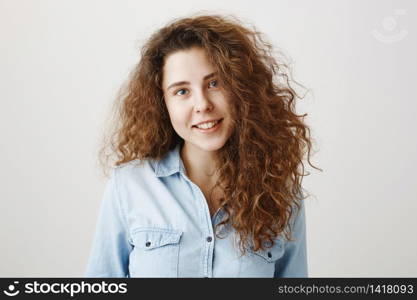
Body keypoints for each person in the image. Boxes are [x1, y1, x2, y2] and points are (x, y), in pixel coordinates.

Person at [85, 14, 319, 278]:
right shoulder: (129, 185)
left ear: (242, 88)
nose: (203, 104)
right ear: (162, 103)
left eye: (215, 83)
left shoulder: (282, 193)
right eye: (182, 91)